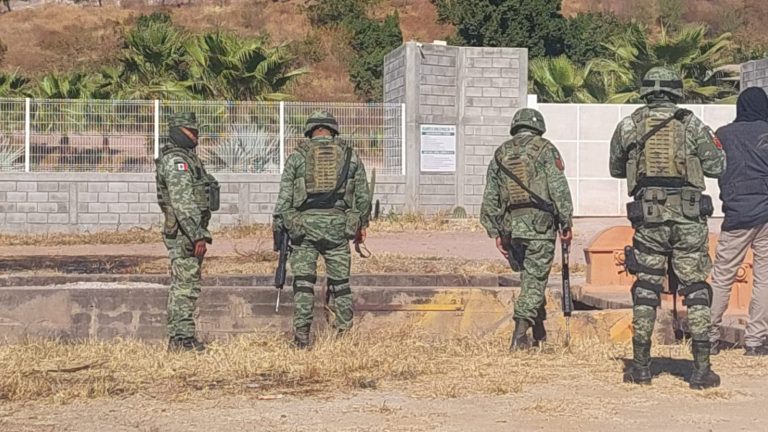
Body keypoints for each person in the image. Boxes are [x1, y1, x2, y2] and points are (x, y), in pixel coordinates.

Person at [610, 67, 725, 389]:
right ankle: (701, 370)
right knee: (696, 288)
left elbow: (616, 169)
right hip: (688, 219)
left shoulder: (629, 125)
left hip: (649, 217)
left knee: (646, 288)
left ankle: (641, 367)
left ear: (646, 91)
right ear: (677, 91)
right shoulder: (692, 124)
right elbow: (718, 166)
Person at [273, 110, 371, 349]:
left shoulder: (298, 156)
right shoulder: (351, 156)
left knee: (304, 283)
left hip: (304, 229)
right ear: (332, 130)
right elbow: (363, 198)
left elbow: (284, 200)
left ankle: (302, 337)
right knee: (341, 285)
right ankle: (343, 336)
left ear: (310, 130)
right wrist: (360, 226)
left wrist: (281, 230)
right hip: (338, 227)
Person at [480, 108, 574, 351]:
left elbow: (490, 196)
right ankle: (519, 336)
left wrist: (496, 231)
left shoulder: (501, 153)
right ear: (538, 127)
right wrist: (566, 221)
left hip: (512, 228)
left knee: (529, 278)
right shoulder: (545, 148)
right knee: (534, 280)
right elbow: (558, 187)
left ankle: (538, 332)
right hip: (539, 227)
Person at [710, 87, 768, 357]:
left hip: (736, 214)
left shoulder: (723, 134)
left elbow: (713, 169)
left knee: (722, 276)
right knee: (765, 279)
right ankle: (756, 341)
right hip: (766, 214)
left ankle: (708, 336)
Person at [155, 112, 219, 352]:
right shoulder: (176, 162)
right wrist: (197, 234)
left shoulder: (186, 159)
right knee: (185, 286)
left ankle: (180, 337)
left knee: (185, 284)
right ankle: (182, 338)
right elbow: (183, 203)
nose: (196, 136)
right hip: (185, 234)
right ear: (178, 131)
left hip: (187, 232)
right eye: (191, 132)